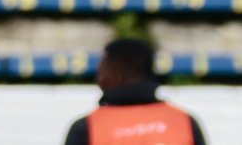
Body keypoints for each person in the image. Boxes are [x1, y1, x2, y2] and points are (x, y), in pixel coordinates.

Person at [63, 38, 205, 145]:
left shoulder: (87, 128)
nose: (98, 76)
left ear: (116, 77)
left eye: (102, 70)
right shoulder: (184, 122)